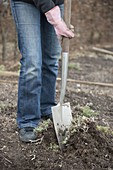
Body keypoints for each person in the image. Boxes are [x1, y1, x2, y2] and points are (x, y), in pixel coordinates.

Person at [10, 0, 74, 142]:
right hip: (25, 2)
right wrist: (55, 17)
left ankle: (46, 107)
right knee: (32, 62)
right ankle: (28, 120)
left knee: (51, 59)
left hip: (56, 3)